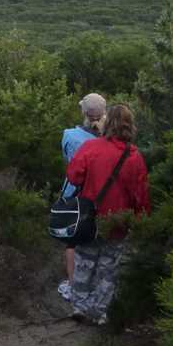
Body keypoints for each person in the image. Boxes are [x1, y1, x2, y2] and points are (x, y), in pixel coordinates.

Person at [65, 104, 150, 325]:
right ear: (130, 125)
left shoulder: (90, 148)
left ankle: (80, 306)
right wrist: (140, 220)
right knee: (108, 269)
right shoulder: (135, 157)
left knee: (84, 263)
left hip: (91, 219)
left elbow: (73, 177)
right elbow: (141, 195)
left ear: (106, 122)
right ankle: (99, 311)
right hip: (119, 223)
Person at [58, 93, 107, 302]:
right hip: (102, 196)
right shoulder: (109, 140)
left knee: (72, 241)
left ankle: (73, 285)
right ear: (104, 113)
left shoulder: (69, 135)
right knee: (99, 240)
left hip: (75, 195)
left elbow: (69, 162)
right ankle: (97, 285)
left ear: (83, 112)